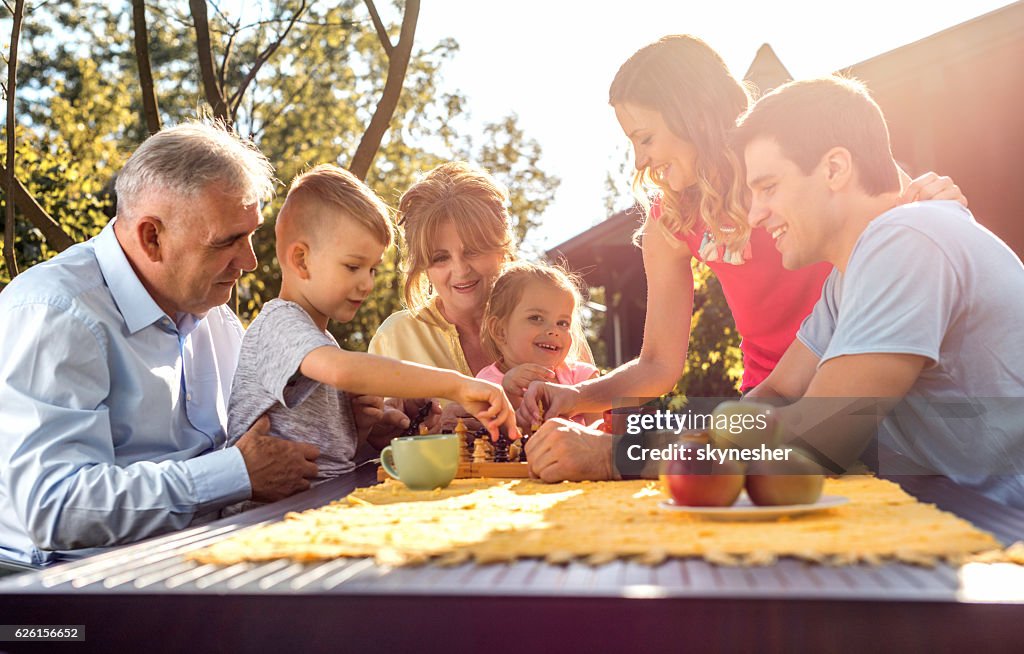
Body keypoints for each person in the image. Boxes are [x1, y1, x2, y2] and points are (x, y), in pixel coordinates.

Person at [521, 35, 966, 482]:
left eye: (646, 137)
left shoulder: (802, 159)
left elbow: (893, 206)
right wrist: (576, 395)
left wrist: (933, 204)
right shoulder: (672, 219)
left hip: (862, 387)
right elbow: (657, 364)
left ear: (692, 115)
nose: (640, 159)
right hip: (771, 395)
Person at [0, 122, 319, 565]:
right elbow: (56, 507)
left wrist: (357, 431)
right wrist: (234, 475)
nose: (249, 261)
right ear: (152, 237)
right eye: (227, 241)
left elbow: (265, 444)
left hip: (198, 563)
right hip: (73, 592)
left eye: (251, 235)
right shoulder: (56, 312)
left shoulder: (214, 314)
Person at [732, 76, 1024, 508]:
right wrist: (702, 437)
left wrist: (625, 453)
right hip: (968, 517)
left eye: (768, 187)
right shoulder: (847, 279)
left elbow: (821, 438)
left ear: (834, 169)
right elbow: (776, 394)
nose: (755, 214)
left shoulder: (908, 239)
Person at [225, 165, 518, 512]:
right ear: (301, 260)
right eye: (353, 267)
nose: (367, 283)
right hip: (263, 521)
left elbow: (333, 456)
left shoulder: (320, 341)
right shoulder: (281, 324)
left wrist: (365, 431)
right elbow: (342, 369)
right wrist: (456, 385)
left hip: (317, 510)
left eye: (373, 269)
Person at [368, 161, 591, 430]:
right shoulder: (396, 338)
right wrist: (425, 432)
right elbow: (368, 450)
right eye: (440, 258)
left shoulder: (551, 323)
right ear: (423, 266)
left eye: (473, 250)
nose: (460, 270)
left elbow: (599, 418)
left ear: (503, 248)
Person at [477, 261, 598, 424]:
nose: (553, 330)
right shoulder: (487, 384)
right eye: (536, 318)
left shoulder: (581, 377)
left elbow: (607, 433)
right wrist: (509, 394)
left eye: (563, 323)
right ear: (500, 330)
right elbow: (495, 434)